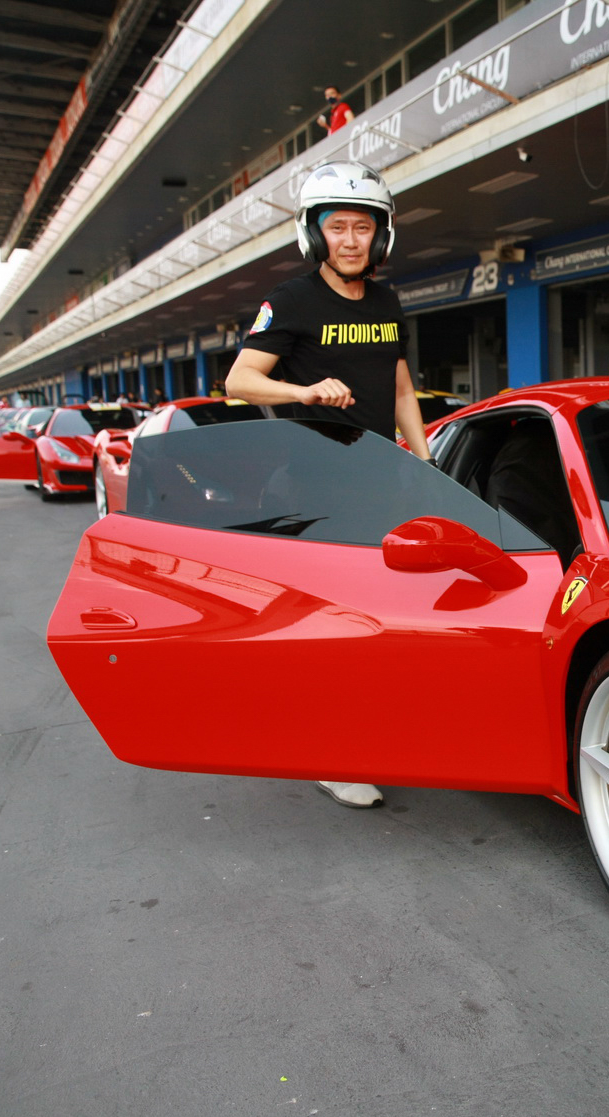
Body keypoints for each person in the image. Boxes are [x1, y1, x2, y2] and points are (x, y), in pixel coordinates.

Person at [225, 159, 431, 810]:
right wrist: (303, 389)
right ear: (314, 233)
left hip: (377, 481)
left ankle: (360, 734)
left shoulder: (387, 301)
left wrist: (424, 461)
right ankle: (328, 753)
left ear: (381, 236)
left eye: (362, 227)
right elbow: (239, 381)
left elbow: (400, 386)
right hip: (312, 482)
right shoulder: (290, 302)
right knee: (326, 625)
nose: (350, 239)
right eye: (337, 226)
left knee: (372, 623)